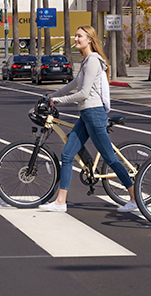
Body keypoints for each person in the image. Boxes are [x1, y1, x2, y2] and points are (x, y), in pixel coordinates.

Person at [39, 25, 136, 213]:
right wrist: (51, 96)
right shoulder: (85, 62)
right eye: (75, 36)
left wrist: (58, 101)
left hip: (94, 114)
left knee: (110, 158)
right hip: (86, 115)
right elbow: (72, 85)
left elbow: (83, 93)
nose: (76, 39)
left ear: (89, 40)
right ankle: (60, 202)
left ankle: (133, 198)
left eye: (79, 36)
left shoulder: (93, 61)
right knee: (67, 155)